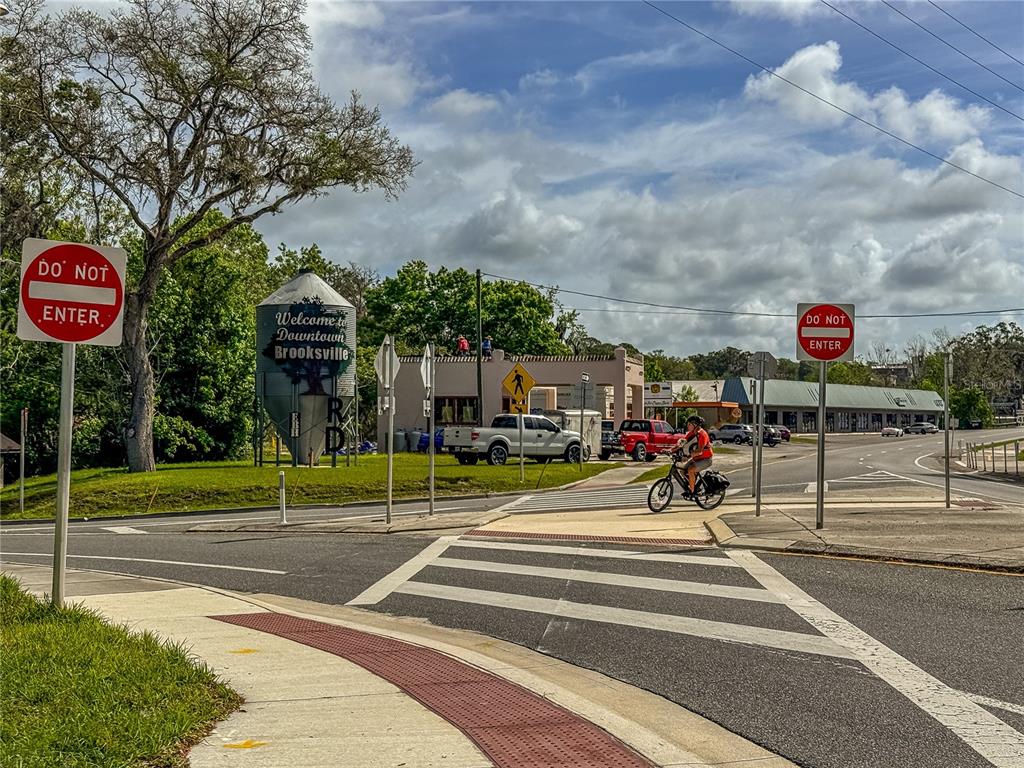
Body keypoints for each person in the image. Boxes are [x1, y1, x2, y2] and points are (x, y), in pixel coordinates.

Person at [674, 415, 713, 496]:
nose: (687, 426)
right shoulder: (691, 433)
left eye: (689, 424)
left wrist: (688, 457)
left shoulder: (702, 435)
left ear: (695, 425)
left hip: (706, 459)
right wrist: (670, 450)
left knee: (691, 470)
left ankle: (692, 492)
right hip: (696, 459)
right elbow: (682, 443)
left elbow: (699, 451)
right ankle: (693, 484)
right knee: (682, 469)